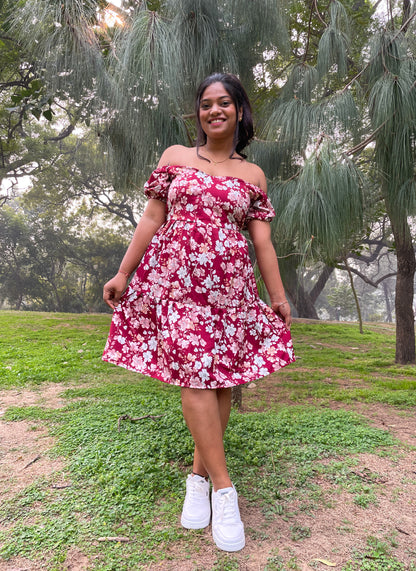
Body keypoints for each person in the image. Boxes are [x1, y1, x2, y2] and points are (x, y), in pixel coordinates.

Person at [102, 72, 295, 552]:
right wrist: (124, 272)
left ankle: (197, 478)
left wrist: (278, 296)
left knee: (222, 381)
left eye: (224, 103)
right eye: (206, 104)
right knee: (195, 376)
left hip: (230, 287)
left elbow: (264, 244)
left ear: (239, 110)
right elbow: (152, 217)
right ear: (199, 113)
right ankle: (225, 490)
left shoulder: (253, 176)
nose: (214, 111)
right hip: (176, 282)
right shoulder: (174, 158)